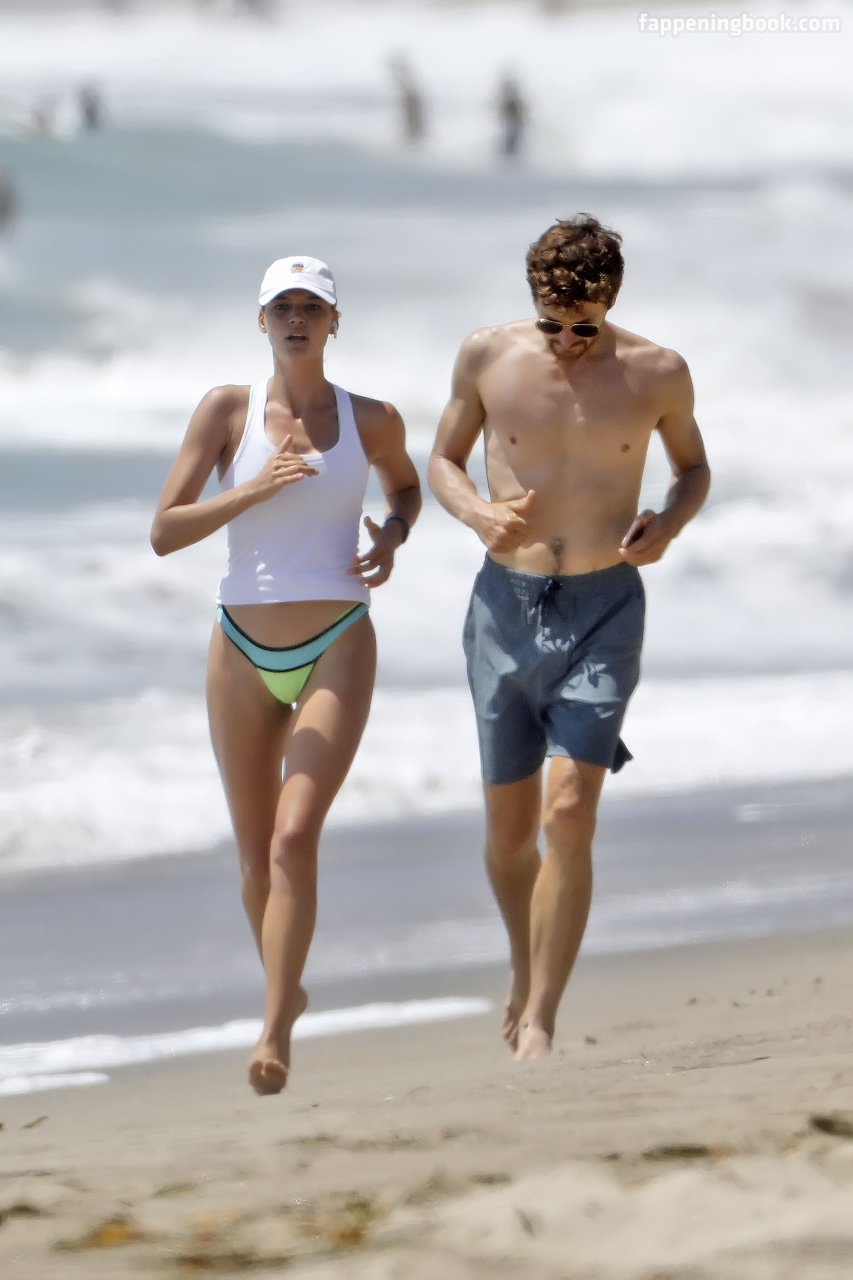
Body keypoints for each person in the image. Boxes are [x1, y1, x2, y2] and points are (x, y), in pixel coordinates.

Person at [428, 214, 710, 1062]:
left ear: (610, 303)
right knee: (509, 835)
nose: (565, 343)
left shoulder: (658, 372)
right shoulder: (487, 355)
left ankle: (542, 1018)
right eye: (550, 323)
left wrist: (668, 522)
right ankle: (524, 966)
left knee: (569, 809)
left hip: (604, 608)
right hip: (502, 610)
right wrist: (476, 512)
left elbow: (693, 469)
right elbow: (442, 460)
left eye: (582, 327)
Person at [151, 256, 421, 1094]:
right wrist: (253, 488)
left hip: (338, 638)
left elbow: (406, 490)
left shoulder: (372, 418)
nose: (296, 319)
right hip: (239, 649)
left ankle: (273, 1030)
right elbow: (164, 531)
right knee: (252, 862)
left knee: (293, 839)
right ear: (260, 320)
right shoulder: (226, 411)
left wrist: (391, 536)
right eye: (282, 308)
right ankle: (285, 985)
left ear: (335, 321)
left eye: (312, 307)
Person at [496, 74, 527, 160]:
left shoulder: (515, 99)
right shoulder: (510, 99)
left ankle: (511, 153)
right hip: (511, 122)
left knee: (513, 137)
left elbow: (521, 109)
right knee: (510, 137)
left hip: (515, 122)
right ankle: (509, 153)